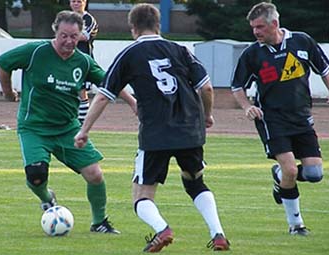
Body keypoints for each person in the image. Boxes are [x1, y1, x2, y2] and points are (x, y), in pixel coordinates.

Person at [74, 3, 230, 252]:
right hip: (190, 128)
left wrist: (84, 130)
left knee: (141, 194)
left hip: (156, 132)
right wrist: (207, 115)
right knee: (195, 182)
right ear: (158, 25)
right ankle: (218, 234)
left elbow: (103, 95)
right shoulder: (181, 49)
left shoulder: (130, 54)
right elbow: (206, 87)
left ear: (132, 28)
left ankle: (162, 229)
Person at [0, 10, 136, 234]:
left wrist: (132, 101)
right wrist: (8, 92)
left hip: (67, 128)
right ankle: (47, 198)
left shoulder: (83, 61)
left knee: (95, 174)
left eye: (74, 36)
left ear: (80, 35)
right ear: (55, 31)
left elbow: (109, 83)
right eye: (64, 36)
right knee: (36, 175)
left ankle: (99, 222)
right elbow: (3, 62)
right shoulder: (36, 51)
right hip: (34, 127)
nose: (69, 41)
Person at [231, 2, 329, 236]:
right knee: (292, 170)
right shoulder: (252, 54)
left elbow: (324, 69)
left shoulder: (302, 41)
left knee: (314, 175)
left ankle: (279, 177)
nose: (256, 32)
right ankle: (296, 225)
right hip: (271, 120)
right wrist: (246, 106)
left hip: (302, 118)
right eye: (253, 28)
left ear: (274, 24)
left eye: (260, 27)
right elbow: (237, 86)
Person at [69, 0, 99, 124]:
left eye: (79, 1)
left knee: (82, 91)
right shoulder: (66, 17)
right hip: (67, 58)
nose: (76, 4)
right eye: (73, 1)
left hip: (83, 60)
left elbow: (85, 36)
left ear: (85, 2)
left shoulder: (89, 19)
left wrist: (67, 34)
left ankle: (82, 122)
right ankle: (70, 119)